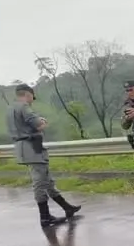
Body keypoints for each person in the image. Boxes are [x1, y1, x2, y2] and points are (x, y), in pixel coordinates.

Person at [6, 83, 82, 227]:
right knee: (40, 182)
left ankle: (67, 208)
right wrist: (43, 121)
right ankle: (45, 217)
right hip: (32, 146)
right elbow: (38, 124)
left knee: (46, 180)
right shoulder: (24, 107)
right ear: (28, 94)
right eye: (31, 97)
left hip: (22, 146)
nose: (31, 100)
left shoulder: (10, 108)